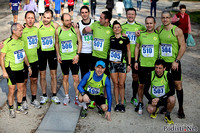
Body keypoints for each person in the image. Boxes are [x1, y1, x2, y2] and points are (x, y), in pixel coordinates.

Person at [156, 11, 186, 118]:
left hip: (174, 63)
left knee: (178, 85)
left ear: (170, 18)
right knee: (165, 84)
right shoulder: (159, 29)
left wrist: (177, 60)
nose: (165, 19)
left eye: (167, 17)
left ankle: (181, 108)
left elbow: (183, 46)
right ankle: (165, 105)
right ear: (161, 18)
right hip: (163, 63)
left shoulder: (177, 31)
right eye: (163, 17)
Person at [0, 23, 32, 118]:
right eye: (20, 30)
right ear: (14, 31)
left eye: (22, 30)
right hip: (11, 69)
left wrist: (28, 66)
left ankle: (19, 106)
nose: (21, 32)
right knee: (11, 90)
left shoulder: (21, 41)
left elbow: (24, 54)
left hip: (21, 68)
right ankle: (11, 108)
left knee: (21, 88)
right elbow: (1, 57)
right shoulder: (7, 43)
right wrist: (4, 71)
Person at [134, 16, 160, 114]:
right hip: (143, 65)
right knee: (141, 85)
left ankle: (154, 102)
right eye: (147, 23)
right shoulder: (141, 34)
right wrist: (136, 61)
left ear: (154, 24)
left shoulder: (158, 35)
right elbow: (137, 47)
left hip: (154, 66)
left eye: (151, 23)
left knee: (154, 85)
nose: (149, 25)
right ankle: (140, 102)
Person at [34, 9, 60, 105]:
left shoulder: (55, 25)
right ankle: (44, 95)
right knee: (43, 75)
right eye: (44, 17)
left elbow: (65, 29)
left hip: (52, 53)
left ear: (51, 18)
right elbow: (25, 29)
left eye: (48, 18)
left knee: (53, 75)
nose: (45, 19)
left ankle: (54, 95)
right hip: (41, 53)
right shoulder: (37, 25)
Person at [55, 13, 82, 106]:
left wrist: (78, 54)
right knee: (65, 77)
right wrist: (58, 54)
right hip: (64, 58)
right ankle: (67, 96)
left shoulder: (75, 29)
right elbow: (57, 43)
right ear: (62, 21)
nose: (69, 22)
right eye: (67, 20)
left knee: (76, 77)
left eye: (70, 19)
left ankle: (77, 97)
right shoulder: (58, 30)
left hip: (73, 57)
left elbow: (80, 42)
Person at [121, 8, 146, 107]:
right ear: (126, 15)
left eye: (132, 14)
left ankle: (134, 97)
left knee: (135, 77)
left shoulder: (141, 27)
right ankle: (122, 97)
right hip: (124, 56)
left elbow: (149, 32)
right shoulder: (122, 26)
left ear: (135, 15)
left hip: (135, 56)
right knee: (122, 77)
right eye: (129, 14)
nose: (130, 16)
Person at [83, 11, 114, 77]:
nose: (99, 19)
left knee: (105, 78)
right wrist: (85, 30)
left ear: (107, 20)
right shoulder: (96, 24)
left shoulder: (112, 30)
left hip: (105, 57)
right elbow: (84, 31)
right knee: (93, 76)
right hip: (94, 56)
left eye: (101, 18)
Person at [21, 11, 41, 110]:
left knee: (34, 80)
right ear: (25, 19)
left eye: (32, 18)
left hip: (35, 60)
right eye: (28, 18)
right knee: (24, 81)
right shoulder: (21, 31)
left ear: (34, 19)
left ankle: (33, 99)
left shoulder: (36, 30)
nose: (30, 20)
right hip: (23, 61)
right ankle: (24, 100)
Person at [109, 21, 131, 112]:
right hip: (113, 64)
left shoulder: (125, 39)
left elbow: (129, 51)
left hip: (122, 64)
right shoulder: (111, 38)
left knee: (121, 84)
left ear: (121, 29)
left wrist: (129, 64)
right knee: (115, 84)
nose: (117, 29)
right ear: (113, 29)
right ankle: (117, 103)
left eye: (118, 27)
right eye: (115, 27)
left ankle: (122, 103)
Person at [146, 59, 175, 125]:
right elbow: (145, 90)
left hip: (164, 99)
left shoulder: (168, 75)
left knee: (172, 99)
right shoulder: (151, 74)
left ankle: (167, 115)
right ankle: (155, 110)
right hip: (154, 100)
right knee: (150, 109)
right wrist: (151, 100)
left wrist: (160, 98)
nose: (157, 70)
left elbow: (173, 91)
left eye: (160, 68)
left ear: (164, 68)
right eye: (156, 67)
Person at [78, 6, 95, 79]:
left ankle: (93, 90)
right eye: (82, 12)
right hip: (83, 53)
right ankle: (85, 90)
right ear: (80, 14)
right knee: (84, 75)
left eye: (86, 12)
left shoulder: (95, 23)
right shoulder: (78, 25)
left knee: (94, 74)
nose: (84, 14)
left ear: (89, 13)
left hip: (93, 53)